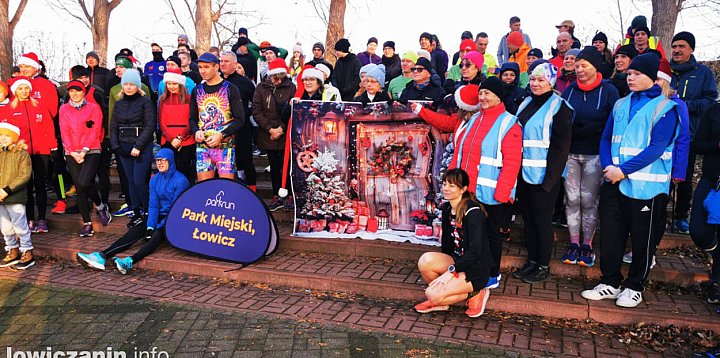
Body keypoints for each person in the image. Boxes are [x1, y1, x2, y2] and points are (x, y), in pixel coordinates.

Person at [582, 53, 680, 308]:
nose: (631, 77)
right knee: (612, 235)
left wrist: (622, 170)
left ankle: (635, 285)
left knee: (642, 238)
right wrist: (608, 166)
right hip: (614, 182)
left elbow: (656, 148)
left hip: (646, 188)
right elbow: (606, 138)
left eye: (637, 74)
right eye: (630, 73)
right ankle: (610, 282)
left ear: (652, 78)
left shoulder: (666, 108)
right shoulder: (621, 103)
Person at [452, 78, 522, 289]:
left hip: (492, 193)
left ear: (498, 97)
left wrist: (503, 192)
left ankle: (492, 273)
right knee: (472, 234)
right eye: (481, 93)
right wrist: (453, 180)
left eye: (487, 94)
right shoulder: (474, 119)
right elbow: (460, 151)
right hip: (469, 191)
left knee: (491, 235)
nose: (482, 97)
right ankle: (475, 268)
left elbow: (512, 161)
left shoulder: (509, 122)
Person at [76, 148, 190, 275]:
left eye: (163, 160)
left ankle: (129, 261)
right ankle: (102, 255)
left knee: (157, 235)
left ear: (170, 161)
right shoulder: (154, 179)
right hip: (158, 215)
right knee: (135, 231)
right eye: (157, 160)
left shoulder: (181, 181)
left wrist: (158, 227)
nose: (160, 163)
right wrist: (150, 226)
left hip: (174, 218)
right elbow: (153, 205)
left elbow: (176, 209)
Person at [512, 63, 573, 283]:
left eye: (541, 80)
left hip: (544, 177)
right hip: (523, 174)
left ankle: (543, 264)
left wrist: (550, 180)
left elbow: (561, 147)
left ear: (551, 82)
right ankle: (532, 261)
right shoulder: (526, 103)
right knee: (528, 220)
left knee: (542, 220)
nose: (536, 84)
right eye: (533, 80)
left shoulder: (560, 107)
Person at [560, 47, 620, 267]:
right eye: (576, 66)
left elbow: (614, 121)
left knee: (588, 199)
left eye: (584, 66)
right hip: (571, 153)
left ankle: (587, 243)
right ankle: (573, 242)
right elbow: (562, 117)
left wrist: (595, 129)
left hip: (595, 154)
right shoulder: (570, 91)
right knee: (572, 198)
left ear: (595, 67)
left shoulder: (609, 90)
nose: (579, 70)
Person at [414, 168, 492, 317]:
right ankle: (443, 300)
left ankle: (476, 292)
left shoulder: (473, 212)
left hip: (475, 269)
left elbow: (476, 252)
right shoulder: (448, 209)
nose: (446, 189)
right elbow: (447, 244)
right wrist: (448, 272)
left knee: (431, 294)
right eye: (444, 184)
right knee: (425, 261)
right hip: (457, 260)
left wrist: (451, 272)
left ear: (463, 189)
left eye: (452, 186)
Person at [669, 31, 719, 234]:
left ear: (691, 49)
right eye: (674, 46)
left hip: (689, 134)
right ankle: (660, 212)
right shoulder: (665, 72)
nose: (677, 50)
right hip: (664, 134)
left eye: (681, 46)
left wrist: (683, 106)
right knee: (664, 177)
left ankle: (681, 216)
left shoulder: (703, 73)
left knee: (685, 177)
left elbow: (710, 101)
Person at [0, 78, 56, 234]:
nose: (24, 91)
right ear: (15, 91)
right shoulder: (9, 109)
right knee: (26, 186)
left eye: (26, 88)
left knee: (40, 186)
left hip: (41, 151)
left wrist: (53, 145)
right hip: (21, 153)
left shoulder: (39, 106)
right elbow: (7, 132)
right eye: (20, 88)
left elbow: (48, 126)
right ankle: (30, 219)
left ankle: (42, 219)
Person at [59, 80, 112, 236]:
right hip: (72, 151)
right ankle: (87, 222)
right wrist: (72, 151)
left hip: (91, 149)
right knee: (80, 187)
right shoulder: (64, 109)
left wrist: (84, 151)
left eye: (77, 91)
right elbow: (64, 130)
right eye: (71, 91)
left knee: (84, 182)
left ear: (83, 92)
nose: (74, 94)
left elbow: (95, 129)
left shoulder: (93, 108)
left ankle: (100, 205)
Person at [110, 69, 156, 228]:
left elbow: (150, 125)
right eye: (126, 84)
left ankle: (148, 210)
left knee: (138, 181)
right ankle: (135, 212)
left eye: (132, 84)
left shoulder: (145, 102)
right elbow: (113, 126)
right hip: (124, 146)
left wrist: (138, 146)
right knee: (130, 181)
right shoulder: (119, 103)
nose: (129, 87)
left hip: (142, 146)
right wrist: (116, 147)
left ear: (138, 86)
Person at [189, 53, 246, 182]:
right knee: (204, 188)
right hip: (203, 148)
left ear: (216, 67)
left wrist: (222, 134)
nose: (202, 71)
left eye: (206, 67)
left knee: (226, 189)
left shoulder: (230, 89)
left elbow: (240, 119)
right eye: (200, 67)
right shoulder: (196, 90)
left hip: (225, 148)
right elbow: (192, 118)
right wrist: (196, 131)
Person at [252, 58, 296, 211]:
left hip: (285, 134)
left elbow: (292, 110)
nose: (276, 80)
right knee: (273, 166)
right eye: (273, 77)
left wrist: (281, 130)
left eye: (279, 77)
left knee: (287, 166)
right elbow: (257, 111)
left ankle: (289, 195)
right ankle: (277, 195)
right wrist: (270, 129)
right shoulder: (261, 88)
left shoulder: (291, 88)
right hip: (267, 134)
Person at [689, 101, 720, 304]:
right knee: (698, 231)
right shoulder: (714, 111)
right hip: (711, 180)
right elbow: (697, 144)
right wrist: (716, 145)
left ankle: (717, 284)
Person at [0, 123, 34, 270]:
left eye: (7, 135)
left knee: (20, 226)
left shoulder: (22, 154)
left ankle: (27, 251)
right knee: (5, 227)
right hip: (1, 198)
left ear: (14, 137)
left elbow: (24, 176)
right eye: (1, 135)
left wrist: (7, 190)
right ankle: (12, 249)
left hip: (15, 196)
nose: (3, 138)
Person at [157, 69, 196, 183]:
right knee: (168, 171)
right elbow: (161, 122)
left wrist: (180, 138)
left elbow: (191, 119)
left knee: (184, 169)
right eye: (169, 84)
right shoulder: (163, 100)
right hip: (168, 140)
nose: (171, 87)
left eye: (174, 84)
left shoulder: (189, 99)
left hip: (186, 140)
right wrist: (171, 139)